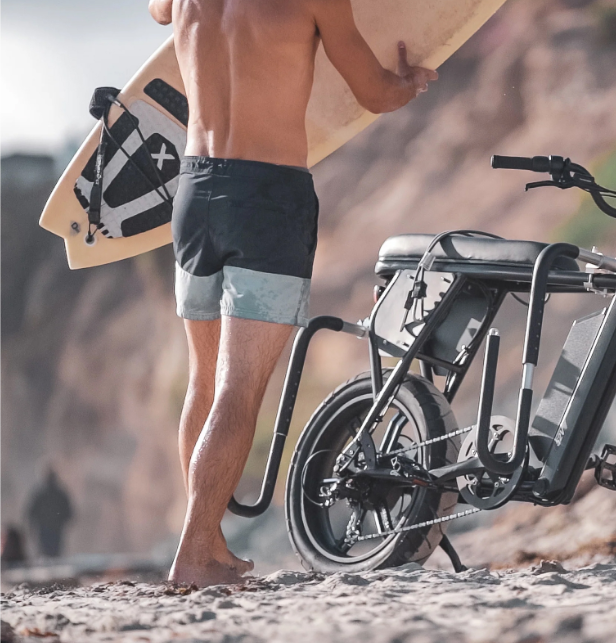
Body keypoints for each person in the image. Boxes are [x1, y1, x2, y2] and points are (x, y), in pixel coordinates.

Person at [148, 0, 438, 586]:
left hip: (195, 190)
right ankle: (196, 552)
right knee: (238, 386)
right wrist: (409, 82)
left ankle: (209, 541)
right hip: (267, 196)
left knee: (204, 380)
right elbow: (373, 93)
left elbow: (158, 16)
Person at [26, 468, 73, 558]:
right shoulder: (43, 493)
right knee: (49, 552)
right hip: (48, 528)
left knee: (49, 552)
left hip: (52, 529)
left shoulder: (44, 493)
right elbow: (32, 512)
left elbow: (69, 511)